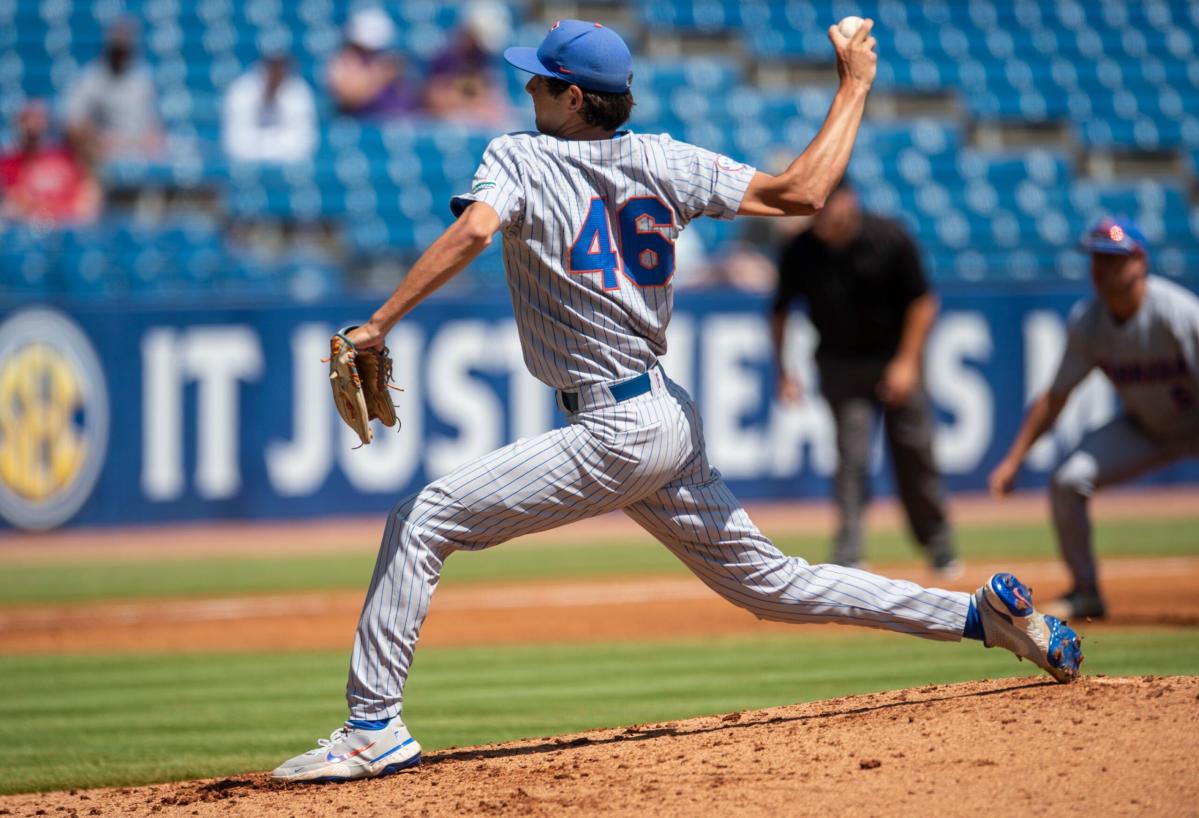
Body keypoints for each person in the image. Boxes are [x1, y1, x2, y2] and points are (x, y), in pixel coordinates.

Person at [271, 19, 1082, 783]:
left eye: (540, 84)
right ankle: (979, 618)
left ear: (575, 99)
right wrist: (853, 86)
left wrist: (379, 322)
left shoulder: (517, 156)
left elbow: (477, 231)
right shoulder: (665, 160)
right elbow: (802, 193)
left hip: (613, 427)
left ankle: (373, 728)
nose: (527, 95)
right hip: (662, 412)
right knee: (770, 584)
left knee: (423, 519)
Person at [989, 217, 1199, 620]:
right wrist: (1013, 460)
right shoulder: (1089, 322)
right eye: (1097, 258)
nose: (1102, 268)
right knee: (1068, 480)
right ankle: (1086, 591)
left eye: (1113, 259)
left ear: (1140, 262)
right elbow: (1055, 396)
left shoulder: (1178, 313)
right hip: (1148, 430)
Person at [770, 179, 959, 575]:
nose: (819, 216)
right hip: (840, 364)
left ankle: (939, 544)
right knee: (851, 457)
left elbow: (923, 302)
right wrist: (784, 370)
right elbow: (780, 312)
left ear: (848, 201)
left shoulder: (889, 237)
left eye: (826, 206)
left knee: (915, 453)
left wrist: (907, 363)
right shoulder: (800, 250)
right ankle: (849, 550)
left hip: (894, 358)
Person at [63, 18, 163, 161]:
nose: (121, 55)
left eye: (124, 49)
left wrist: (151, 140)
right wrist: (98, 139)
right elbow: (72, 123)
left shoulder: (142, 78)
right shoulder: (91, 78)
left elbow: (154, 125)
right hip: (105, 154)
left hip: (140, 153)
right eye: (117, 50)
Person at [0, 101, 101, 225]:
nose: (32, 127)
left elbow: (85, 198)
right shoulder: (9, 162)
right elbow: (18, 201)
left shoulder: (64, 158)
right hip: (31, 226)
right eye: (26, 121)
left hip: (67, 224)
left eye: (37, 120)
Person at [423, 0, 512, 126]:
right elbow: (435, 100)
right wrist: (471, 102)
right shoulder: (446, 58)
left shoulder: (485, 58)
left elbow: (496, 103)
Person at [222, 51, 317, 164]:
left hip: (287, 164)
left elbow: (304, 143)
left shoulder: (298, 90)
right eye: (271, 67)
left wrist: (261, 143)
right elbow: (236, 144)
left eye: (279, 67)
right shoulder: (241, 90)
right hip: (249, 164)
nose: (275, 72)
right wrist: (276, 141)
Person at [327, 7, 421, 119]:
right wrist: (380, 76)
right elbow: (348, 99)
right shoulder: (344, 61)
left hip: (395, 118)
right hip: (361, 121)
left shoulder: (389, 58)